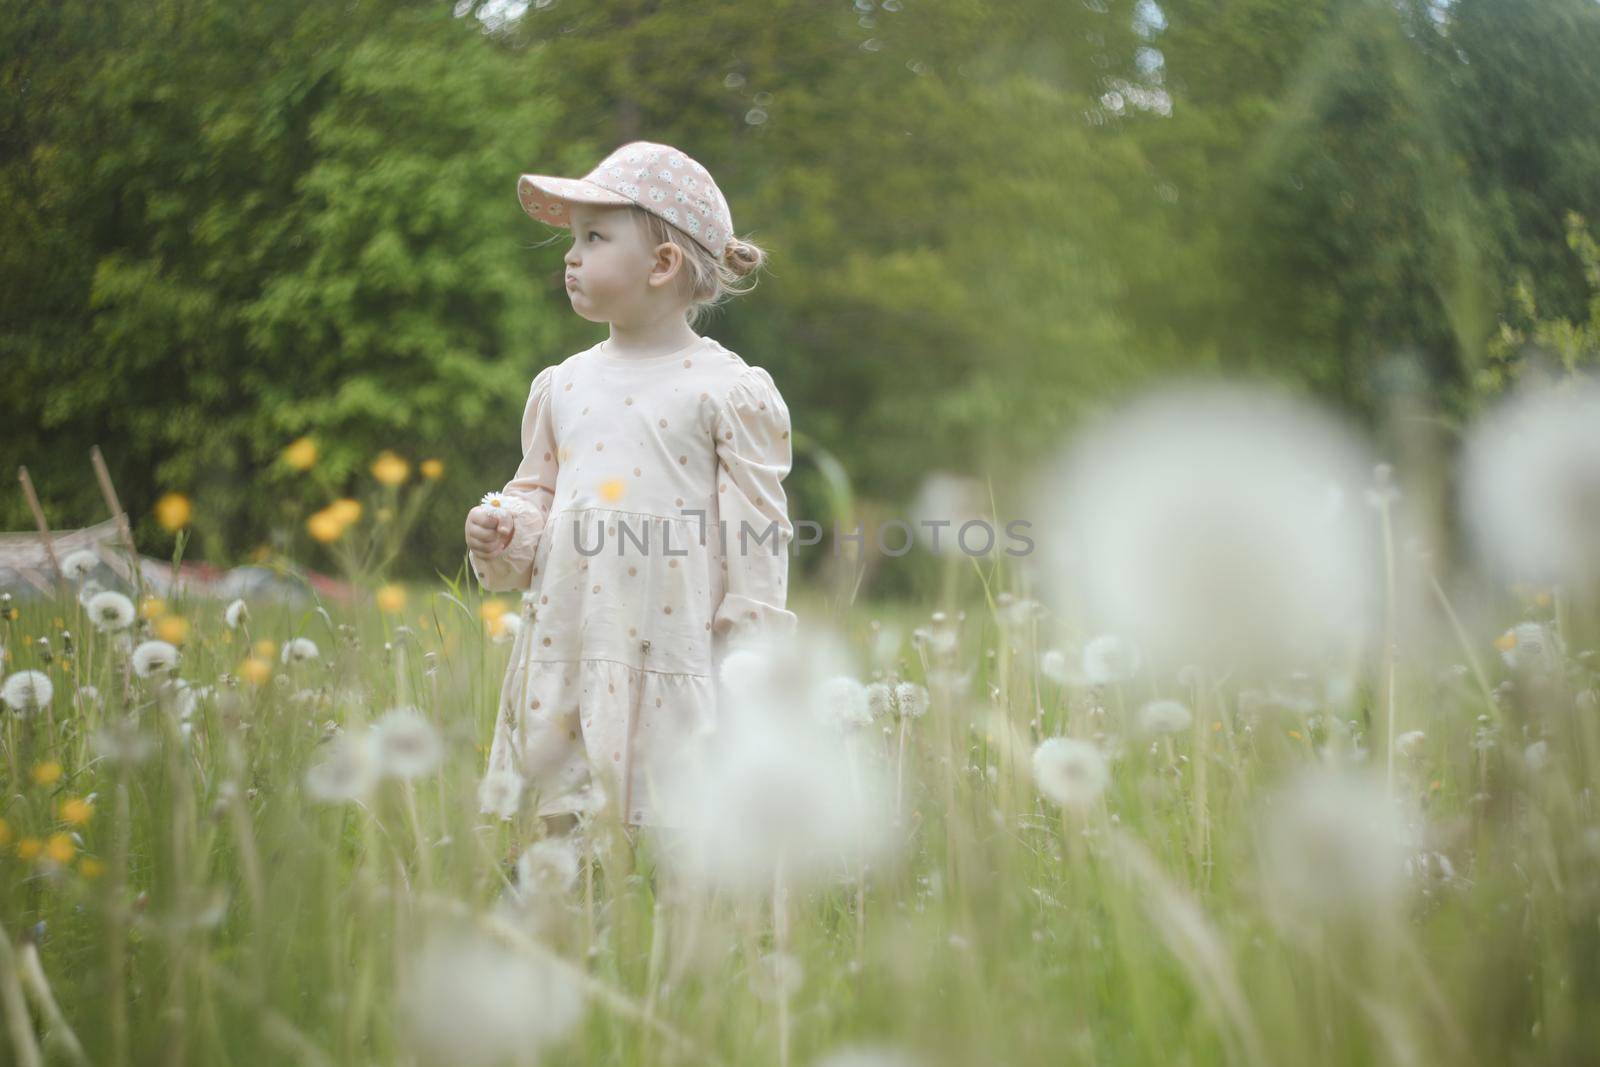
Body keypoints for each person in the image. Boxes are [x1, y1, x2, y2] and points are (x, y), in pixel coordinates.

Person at [464, 141, 799, 830]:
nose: (570, 255)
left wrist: (748, 648)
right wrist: (506, 528)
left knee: (668, 829)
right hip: (573, 634)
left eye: (593, 237)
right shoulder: (562, 385)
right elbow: (538, 495)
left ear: (663, 264)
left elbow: (759, 533)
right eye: (572, 239)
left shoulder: (728, 391)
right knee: (557, 821)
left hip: (673, 645)